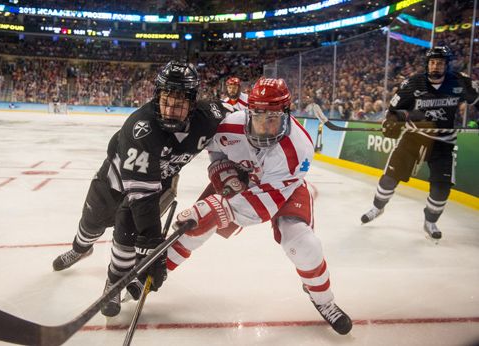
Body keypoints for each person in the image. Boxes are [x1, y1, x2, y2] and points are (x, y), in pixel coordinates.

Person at [168, 77, 353, 335]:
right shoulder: (230, 126)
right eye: (258, 117)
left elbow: (260, 209)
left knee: (302, 244)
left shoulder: (298, 149)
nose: (265, 127)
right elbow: (217, 150)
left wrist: (216, 209)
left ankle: (324, 300)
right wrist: (222, 172)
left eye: (272, 118)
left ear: (285, 113)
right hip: (242, 178)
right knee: (196, 226)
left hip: (283, 189)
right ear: (248, 113)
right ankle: (156, 270)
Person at [52, 60, 231, 317]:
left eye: (179, 104)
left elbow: (244, 114)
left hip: (158, 183)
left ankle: (113, 282)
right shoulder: (141, 128)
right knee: (92, 223)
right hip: (113, 182)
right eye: (166, 101)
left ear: (192, 103)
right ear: (157, 96)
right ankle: (80, 249)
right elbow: (141, 197)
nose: (170, 110)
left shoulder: (210, 117)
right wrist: (153, 247)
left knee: (127, 228)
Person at [361, 46, 479, 240]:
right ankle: (377, 207)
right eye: (432, 62)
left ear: (446, 65)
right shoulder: (414, 83)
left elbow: (477, 101)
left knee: (442, 188)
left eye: (440, 63)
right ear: (427, 64)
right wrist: (391, 122)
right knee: (390, 177)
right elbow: (393, 110)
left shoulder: (460, 81)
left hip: (443, 142)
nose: (435, 66)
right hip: (413, 137)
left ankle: (430, 221)